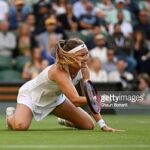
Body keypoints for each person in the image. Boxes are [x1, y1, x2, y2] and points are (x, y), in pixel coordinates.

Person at [6, 38, 120, 132]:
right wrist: (97, 99)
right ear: (70, 57)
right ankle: (11, 115)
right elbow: (75, 100)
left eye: (86, 54)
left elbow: (88, 94)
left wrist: (102, 125)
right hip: (31, 96)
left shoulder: (84, 69)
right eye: (81, 55)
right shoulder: (59, 71)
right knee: (20, 126)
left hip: (55, 99)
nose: (86, 58)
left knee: (88, 125)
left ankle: (67, 121)